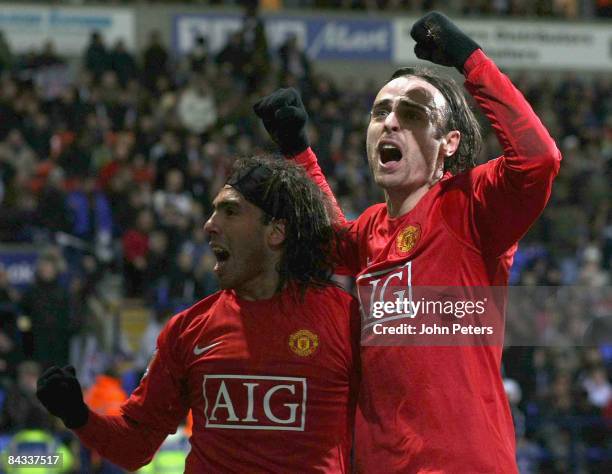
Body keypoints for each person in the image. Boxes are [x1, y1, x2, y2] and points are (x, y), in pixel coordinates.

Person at [253, 12, 561, 473]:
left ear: (449, 142)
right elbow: (323, 239)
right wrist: (298, 152)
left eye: (412, 113)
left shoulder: (473, 206)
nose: (391, 122)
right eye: (381, 112)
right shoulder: (371, 230)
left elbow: (539, 161)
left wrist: (470, 61)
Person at [36, 157, 360, 472]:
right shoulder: (189, 329)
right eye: (214, 210)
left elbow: (387, 433)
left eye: (230, 211)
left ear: (276, 232)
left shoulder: (346, 320)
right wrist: (79, 416)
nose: (209, 224)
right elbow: (135, 446)